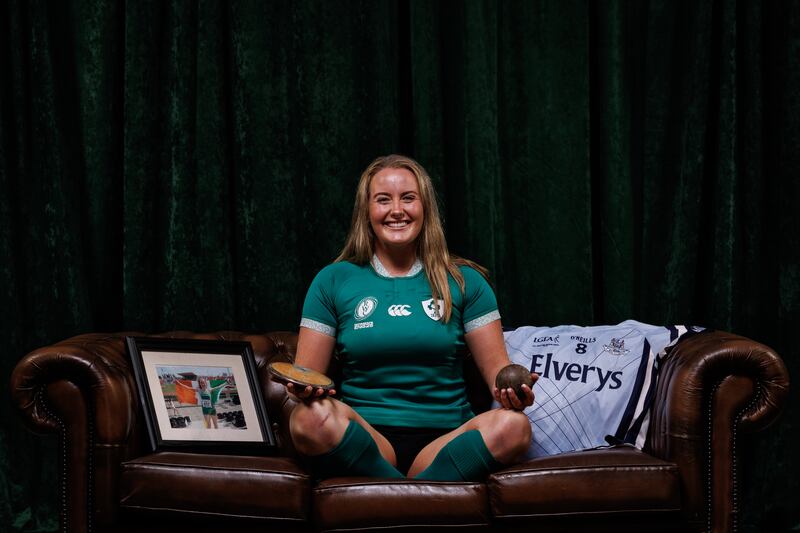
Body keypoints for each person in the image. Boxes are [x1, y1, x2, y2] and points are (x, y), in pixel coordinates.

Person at [287, 154, 538, 481]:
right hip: (367, 437)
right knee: (306, 420)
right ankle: (413, 493)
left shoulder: (465, 281)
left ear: (425, 209)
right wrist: (302, 388)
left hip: (445, 438)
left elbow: (497, 379)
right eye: (382, 200)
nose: (396, 210)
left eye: (408, 198)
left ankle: (396, 491)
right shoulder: (332, 280)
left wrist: (515, 391)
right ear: (366, 212)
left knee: (515, 427)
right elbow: (307, 377)